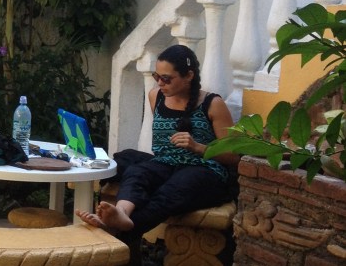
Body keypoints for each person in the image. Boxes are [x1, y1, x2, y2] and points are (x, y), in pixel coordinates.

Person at [77, 44, 238, 236]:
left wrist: (198, 147)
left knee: (173, 190)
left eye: (166, 79)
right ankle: (121, 213)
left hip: (205, 171)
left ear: (189, 76)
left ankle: (118, 230)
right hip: (166, 164)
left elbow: (233, 156)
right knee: (136, 170)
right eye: (157, 77)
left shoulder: (213, 104)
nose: (160, 83)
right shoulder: (156, 96)